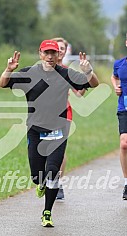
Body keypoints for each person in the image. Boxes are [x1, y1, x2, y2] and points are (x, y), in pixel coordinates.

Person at [0, 39, 99, 227]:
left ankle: (47, 212)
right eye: (47, 53)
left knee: (53, 172)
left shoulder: (66, 74)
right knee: (37, 176)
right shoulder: (29, 73)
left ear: (59, 55)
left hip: (58, 130)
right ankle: (40, 183)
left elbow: (93, 83)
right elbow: (3, 84)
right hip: (35, 131)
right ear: (40, 54)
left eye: (54, 53)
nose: (50, 57)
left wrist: (88, 71)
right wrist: (9, 69)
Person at [51, 37, 85, 200]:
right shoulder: (41, 70)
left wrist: (85, 80)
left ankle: (57, 183)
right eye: (57, 48)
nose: (60, 51)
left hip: (64, 114)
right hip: (42, 115)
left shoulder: (67, 72)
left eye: (63, 48)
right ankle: (47, 179)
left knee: (59, 149)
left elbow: (79, 94)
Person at [111, 46, 127, 200]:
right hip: (124, 108)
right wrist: (116, 86)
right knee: (124, 143)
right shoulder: (119, 64)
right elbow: (114, 76)